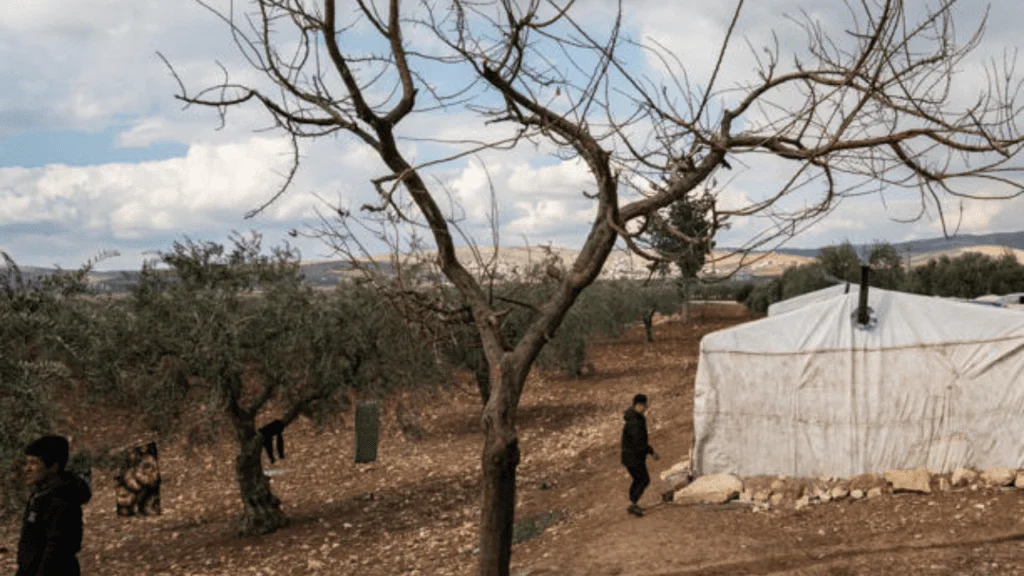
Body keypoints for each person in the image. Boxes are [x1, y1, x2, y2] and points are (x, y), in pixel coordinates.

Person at [16, 435, 92, 576]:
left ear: (53, 467)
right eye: (26, 463)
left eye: (34, 463)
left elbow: (55, 552)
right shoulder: (39, 496)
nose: (27, 469)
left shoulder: (62, 502)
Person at [621, 394, 658, 517]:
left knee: (638, 479)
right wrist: (651, 451)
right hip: (633, 457)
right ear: (638, 405)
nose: (645, 409)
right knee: (644, 479)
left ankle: (633, 502)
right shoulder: (634, 421)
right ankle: (633, 504)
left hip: (631, 457)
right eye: (643, 406)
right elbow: (639, 441)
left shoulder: (635, 417)